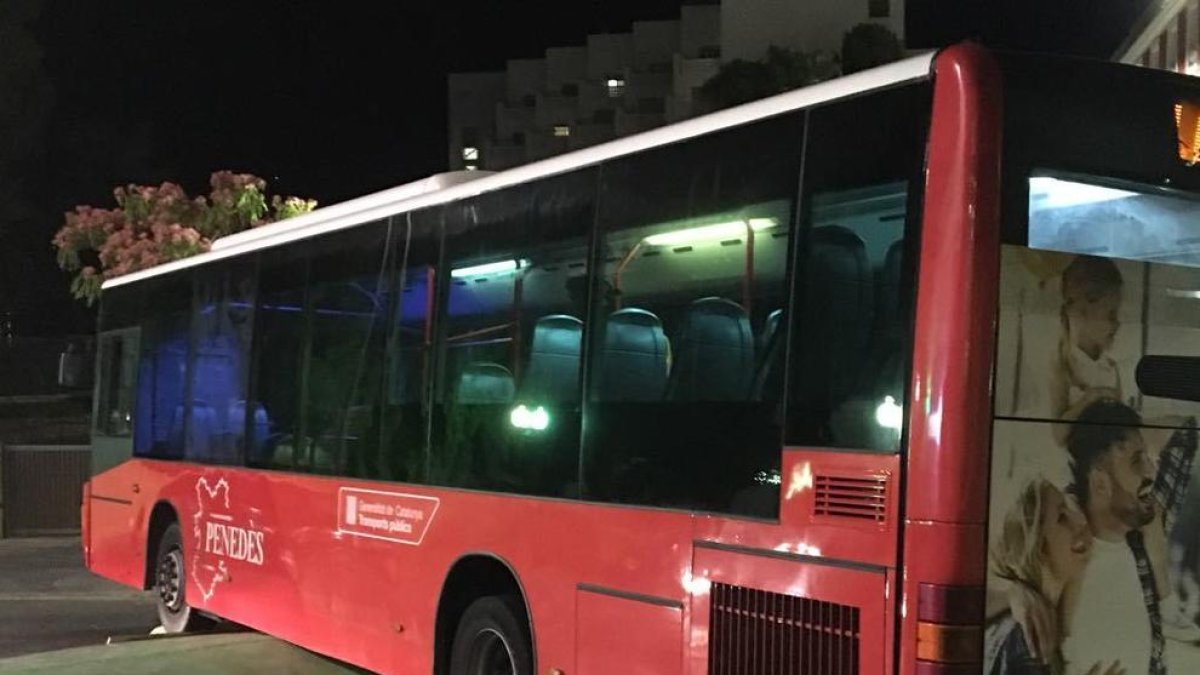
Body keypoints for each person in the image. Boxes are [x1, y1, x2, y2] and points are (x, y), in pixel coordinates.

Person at [1060, 400, 1187, 675]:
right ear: (1100, 484)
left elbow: (1186, 432)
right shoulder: (1062, 555)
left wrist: (1113, 409)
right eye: (1136, 461)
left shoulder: (1148, 531)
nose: (1151, 471)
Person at [987, 478, 1117, 675]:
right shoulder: (1030, 634)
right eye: (1062, 517)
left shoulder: (1040, 624)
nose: (1080, 520)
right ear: (1039, 548)